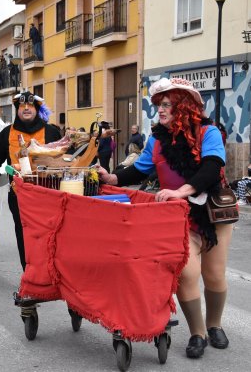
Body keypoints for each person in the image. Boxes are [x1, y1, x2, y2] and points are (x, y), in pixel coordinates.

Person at [96, 77, 233, 359]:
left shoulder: (208, 133)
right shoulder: (157, 141)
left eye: (167, 105)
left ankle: (215, 324)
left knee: (214, 274)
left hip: (211, 213)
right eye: (159, 104)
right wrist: (113, 177)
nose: (159, 110)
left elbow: (211, 167)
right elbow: (140, 170)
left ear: (183, 108)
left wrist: (182, 190)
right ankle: (198, 332)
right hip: (177, 215)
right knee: (185, 273)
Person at [0, 91, 61, 270]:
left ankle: (48, 273)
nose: (26, 109)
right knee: (23, 235)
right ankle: (28, 273)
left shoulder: (51, 131)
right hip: (19, 195)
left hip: (47, 195)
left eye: (30, 106)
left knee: (48, 235)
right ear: (17, 110)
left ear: (37, 109)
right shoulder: (7, 133)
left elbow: (64, 158)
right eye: (22, 106)